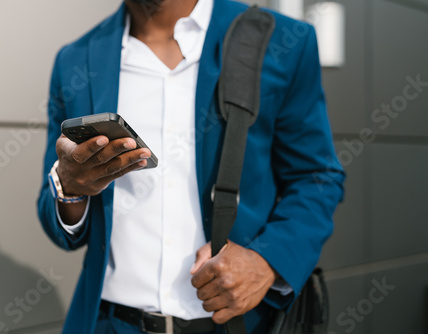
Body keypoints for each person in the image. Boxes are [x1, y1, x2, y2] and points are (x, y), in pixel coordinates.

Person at [37, 0, 346, 333]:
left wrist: (266, 262)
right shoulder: (75, 60)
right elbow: (58, 222)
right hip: (110, 323)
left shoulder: (283, 40)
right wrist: (71, 187)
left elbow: (316, 178)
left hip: (236, 323)